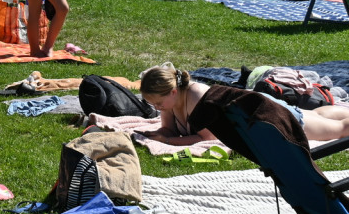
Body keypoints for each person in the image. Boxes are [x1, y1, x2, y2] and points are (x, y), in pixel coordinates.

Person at [139, 64, 349, 145]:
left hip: (272, 117)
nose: (157, 108)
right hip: (261, 110)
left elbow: (205, 138)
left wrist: (168, 141)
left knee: (340, 129)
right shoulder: (171, 102)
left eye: (158, 103)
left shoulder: (197, 98)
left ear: (174, 91)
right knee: (319, 115)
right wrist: (162, 134)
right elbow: (167, 128)